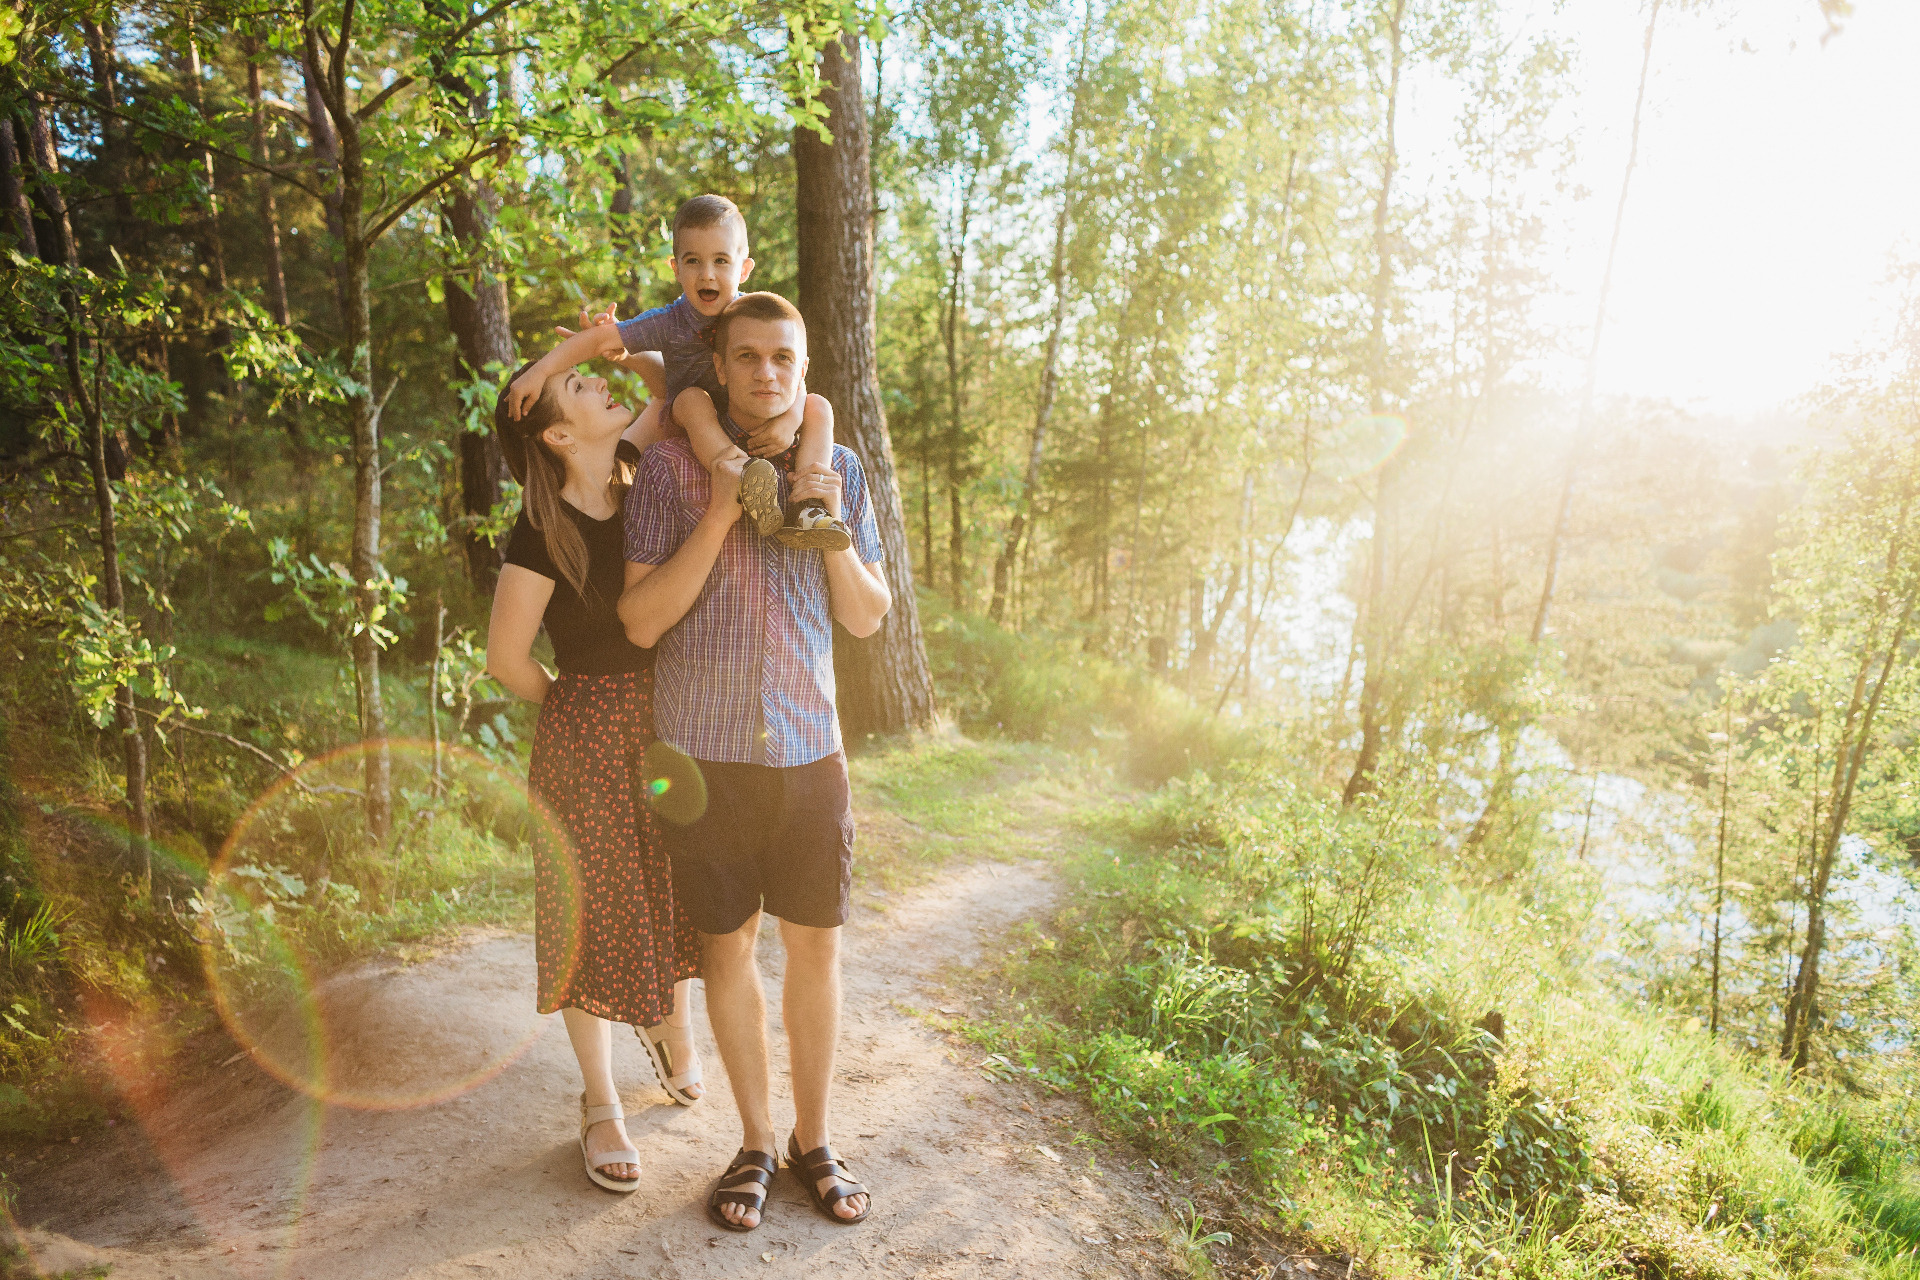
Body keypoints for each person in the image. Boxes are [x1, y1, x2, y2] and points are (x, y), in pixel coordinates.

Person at [618, 291, 890, 1232]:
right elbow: (640, 620)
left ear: (804, 369)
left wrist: (831, 528)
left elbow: (865, 616)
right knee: (727, 947)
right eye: (748, 357)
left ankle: (815, 1141)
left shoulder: (842, 468)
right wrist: (726, 514)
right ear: (720, 366)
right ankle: (755, 1141)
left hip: (811, 750)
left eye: (783, 357)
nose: (765, 372)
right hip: (702, 760)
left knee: (814, 946)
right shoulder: (665, 471)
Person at [484, 360, 705, 1194]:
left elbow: (670, 371)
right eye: (579, 388)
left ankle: (672, 1030)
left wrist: (580, 345)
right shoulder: (541, 529)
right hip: (586, 734)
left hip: (671, 723)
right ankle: (602, 1102)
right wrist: (579, 708)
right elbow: (506, 659)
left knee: (673, 888)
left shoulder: (644, 471)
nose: (602, 385)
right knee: (591, 910)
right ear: (556, 434)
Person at [505, 194, 852, 550]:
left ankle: (809, 507)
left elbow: (792, 372)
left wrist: (791, 418)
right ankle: (742, 476)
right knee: (689, 399)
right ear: (676, 268)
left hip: (754, 413)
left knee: (820, 407)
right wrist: (539, 371)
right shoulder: (668, 323)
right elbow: (598, 339)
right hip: (697, 423)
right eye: (693, 261)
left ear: (744, 269)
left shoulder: (755, 316)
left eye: (721, 261)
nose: (707, 274)